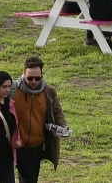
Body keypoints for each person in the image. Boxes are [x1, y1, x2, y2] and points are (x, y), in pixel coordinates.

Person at [12, 55, 70, 183]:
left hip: (37, 145)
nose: (33, 81)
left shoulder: (49, 92)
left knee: (32, 177)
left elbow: (57, 112)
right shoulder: (13, 90)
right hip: (18, 144)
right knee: (28, 178)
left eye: (37, 78)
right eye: (30, 78)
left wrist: (62, 127)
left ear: (42, 76)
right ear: (23, 74)